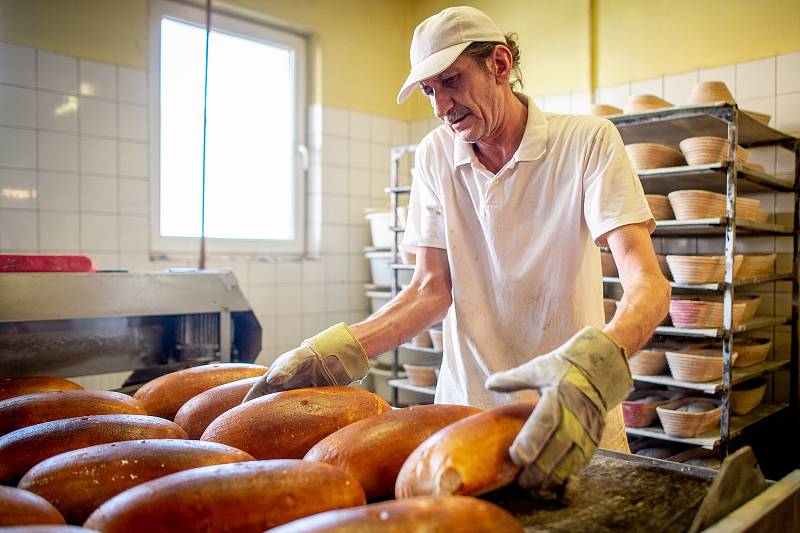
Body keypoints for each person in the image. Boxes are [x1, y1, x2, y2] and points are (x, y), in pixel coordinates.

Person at [245, 6, 670, 498]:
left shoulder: (586, 142)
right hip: (464, 419)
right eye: (429, 92)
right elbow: (429, 291)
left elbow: (648, 284)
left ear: (500, 65)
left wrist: (598, 366)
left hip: (566, 414)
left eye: (450, 80)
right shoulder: (434, 155)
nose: (442, 105)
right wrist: (331, 353)